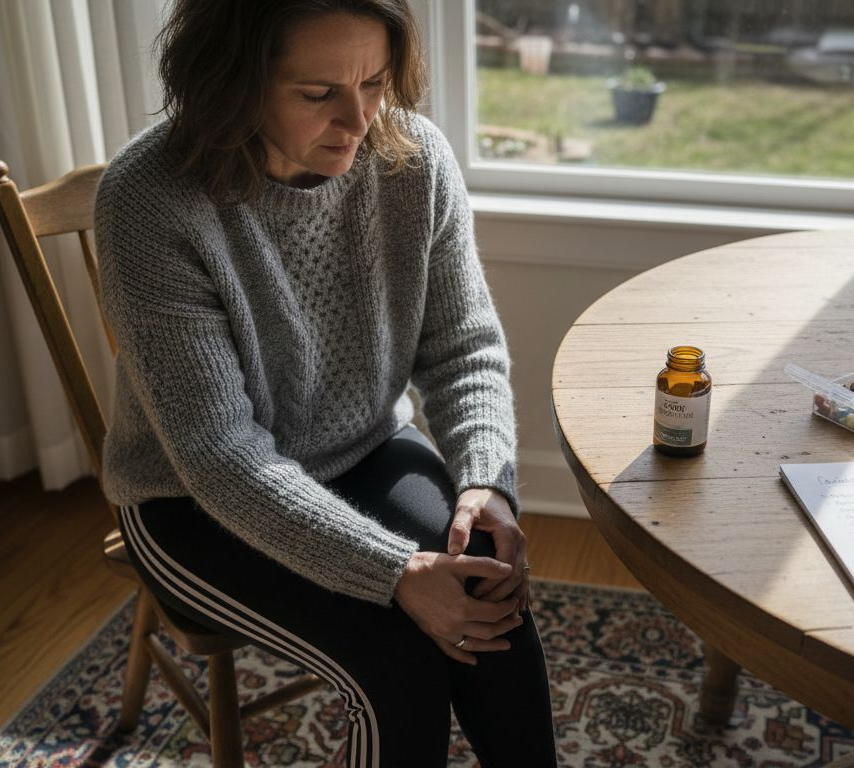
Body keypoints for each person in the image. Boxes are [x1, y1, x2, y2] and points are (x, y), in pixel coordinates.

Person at [94, 1, 557, 765]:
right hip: (190, 501)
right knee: (398, 665)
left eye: (375, 81)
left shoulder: (414, 159)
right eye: (318, 95)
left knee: (490, 592)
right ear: (232, 85)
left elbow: (464, 346)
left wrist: (487, 480)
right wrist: (394, 572)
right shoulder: (149, 201)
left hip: (367, 448)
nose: (360, 119)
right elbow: (219, 455)